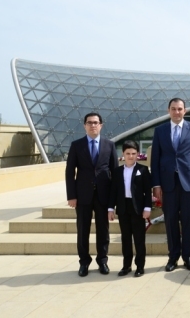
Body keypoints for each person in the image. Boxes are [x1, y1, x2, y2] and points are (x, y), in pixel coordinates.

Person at [151, 98, 190, 272]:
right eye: (173, 109)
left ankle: (188, 256)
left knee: (188, 220)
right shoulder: (160, 131)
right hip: (168, 184)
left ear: (185, 111)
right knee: (170, 220)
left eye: (179, 109)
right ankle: (173, 257)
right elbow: (155, 159)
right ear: (168, 111)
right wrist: (156, 184)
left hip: (189, 183)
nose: (177, 112)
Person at [65, 112, 118, 277]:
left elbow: (115, 173)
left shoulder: (109, 145)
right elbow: (69, 172)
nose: (92, 125)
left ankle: (102, 261)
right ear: (84, 125)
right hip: (82, 196)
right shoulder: (76, 145)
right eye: (89, 123)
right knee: (83, 230)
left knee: (103, 230)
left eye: (95, 122)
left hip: (103, 195)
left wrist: (113, 200)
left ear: (101, 125)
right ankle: (84, 262)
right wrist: (71, 196)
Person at [108, 140, 152, 277]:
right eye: (128, 153)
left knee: (139, 239)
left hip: (138, 209)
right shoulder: (117, 171)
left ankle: (140, 266)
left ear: (138, 154)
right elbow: (113, 192)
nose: (131, 156)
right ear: (123, 154)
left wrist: (147, 208)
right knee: (126, 238)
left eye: (133, 153)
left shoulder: (143, 170)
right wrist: (110, 209)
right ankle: (126, 266)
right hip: (122, 208)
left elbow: (147, 192)